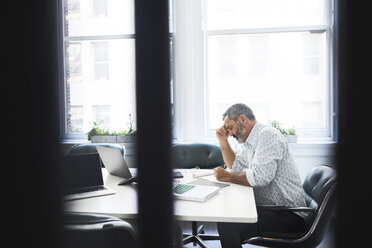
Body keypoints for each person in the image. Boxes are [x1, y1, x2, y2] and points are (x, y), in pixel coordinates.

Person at [214, 103, 307, 248]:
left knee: (227, 223)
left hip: (290, 215)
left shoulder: (267, 136)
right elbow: (235, 165)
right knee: (229, 215)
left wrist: (227, 176)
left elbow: (260, 177)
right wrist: (223, 140)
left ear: (243, 119)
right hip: (274, 210)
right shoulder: (251, 142)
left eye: (230, 128)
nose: (230, 133)